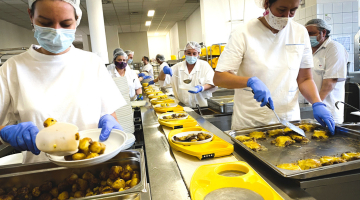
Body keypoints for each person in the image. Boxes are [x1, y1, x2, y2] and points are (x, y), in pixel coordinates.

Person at [0, 0, 125, 163]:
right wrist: (5, 133)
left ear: (77, 18)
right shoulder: (12, 69)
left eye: (66, 24)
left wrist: (111, 124)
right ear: (31, 15)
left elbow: (111, 116)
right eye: (45, 23)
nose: (56, 32)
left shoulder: (92, 63)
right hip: (40, 174)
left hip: (94, 169)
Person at [213, 0, 335, 134]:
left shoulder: (300, 33)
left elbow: (304, 79)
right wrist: (250, 81)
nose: (286, 16)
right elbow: (219, 78)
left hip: (289, 120)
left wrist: (317, 103)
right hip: (252, 122)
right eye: (281, 10)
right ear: (267, 4)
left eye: (292, 10)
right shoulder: (243, 33)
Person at [305, 19, 348, 124]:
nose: (308, 37)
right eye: (306, 34)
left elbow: (330, 83)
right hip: (312, 107)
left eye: (311, 33)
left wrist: (316, 104)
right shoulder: (307, 50)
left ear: (323, 32)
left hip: (328, 109)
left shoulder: (334, 48)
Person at [159, 42, 216, 108]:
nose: (191, 56)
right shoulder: (177, 67)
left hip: (202, 107)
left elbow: (213, 83)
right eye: (189, 53)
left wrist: (201, 88)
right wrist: (163, 71)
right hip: (182, 107)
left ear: (198, 54)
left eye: (194, 53)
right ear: (185, 53)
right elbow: (162, 79)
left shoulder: (204, 66)